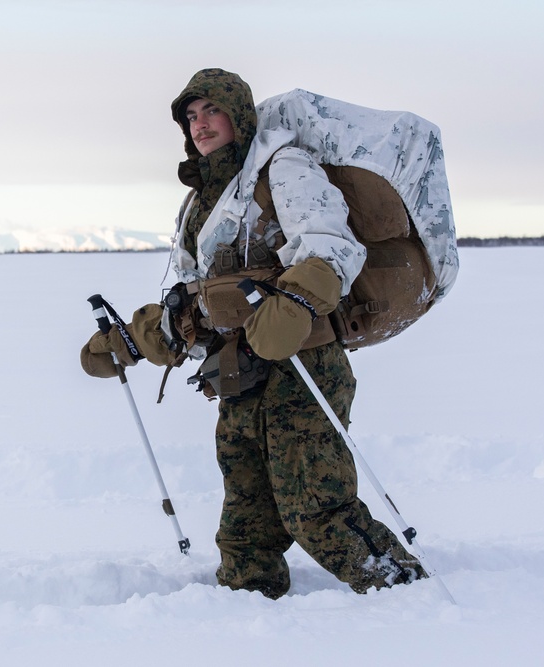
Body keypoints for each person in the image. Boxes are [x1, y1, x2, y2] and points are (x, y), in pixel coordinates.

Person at [81, 68, 425, 598]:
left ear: (239, 116)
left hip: (303, 367)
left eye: (211, 111)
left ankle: (408, 595)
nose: (200, 125)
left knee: (315, 508)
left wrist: (296, 301)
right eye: (191, 117)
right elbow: (198, 299)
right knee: (246, 524)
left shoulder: (282, 168)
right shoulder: (199, 202)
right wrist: (130, 341)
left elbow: (330, 245)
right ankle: (246, 620)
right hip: (238, 375)